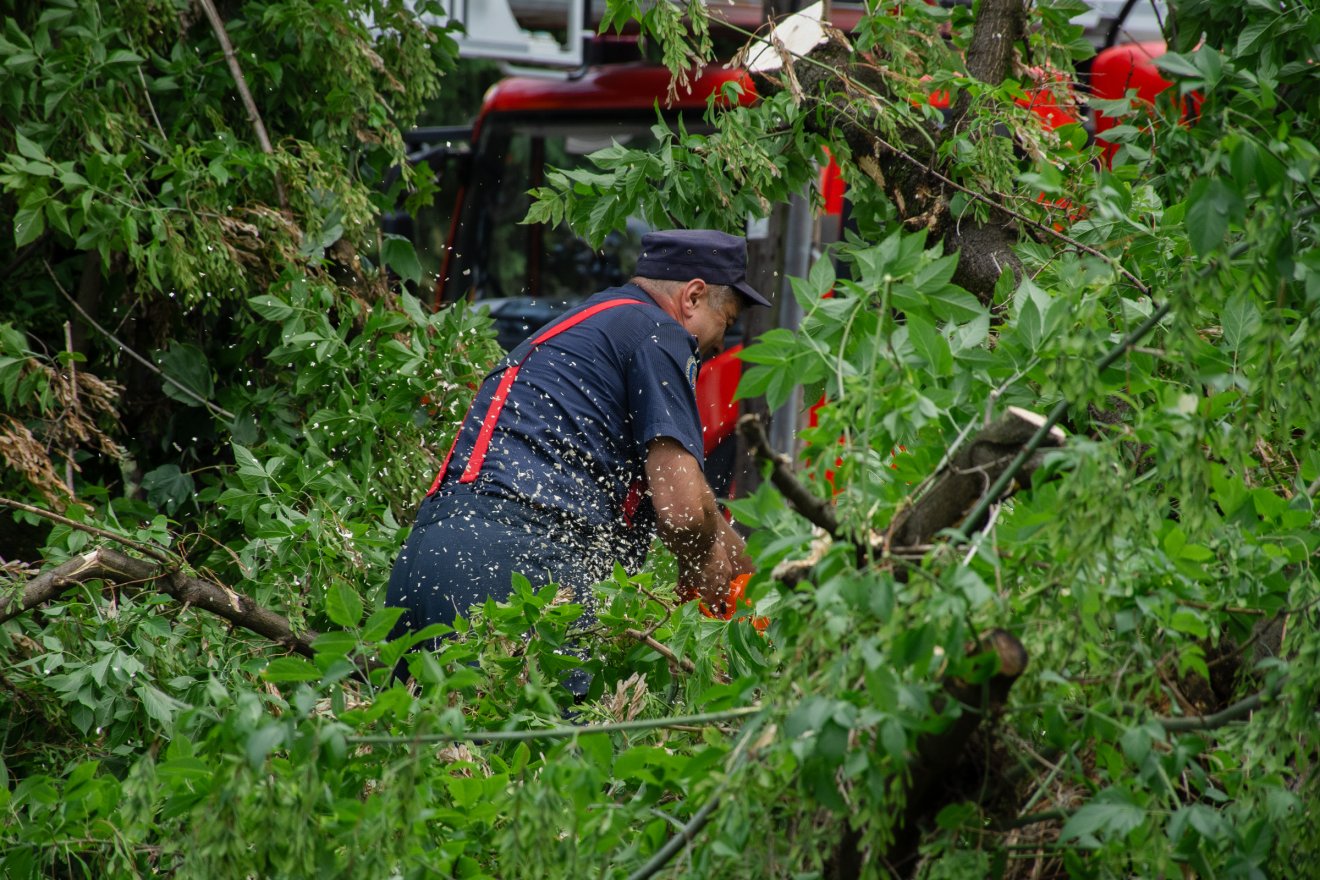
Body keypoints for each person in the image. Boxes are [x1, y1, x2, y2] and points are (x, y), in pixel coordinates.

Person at [385, 229, 770, 685]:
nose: (719, 346)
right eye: (723, 321)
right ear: (693, 297)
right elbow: (686, 514)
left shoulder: (594, 328)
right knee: (556, 749)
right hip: (517, 566)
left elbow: (698, 513)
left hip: (428, 556)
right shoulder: (660, 332)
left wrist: (756, 580)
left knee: (421, 744)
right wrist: (700, 566)